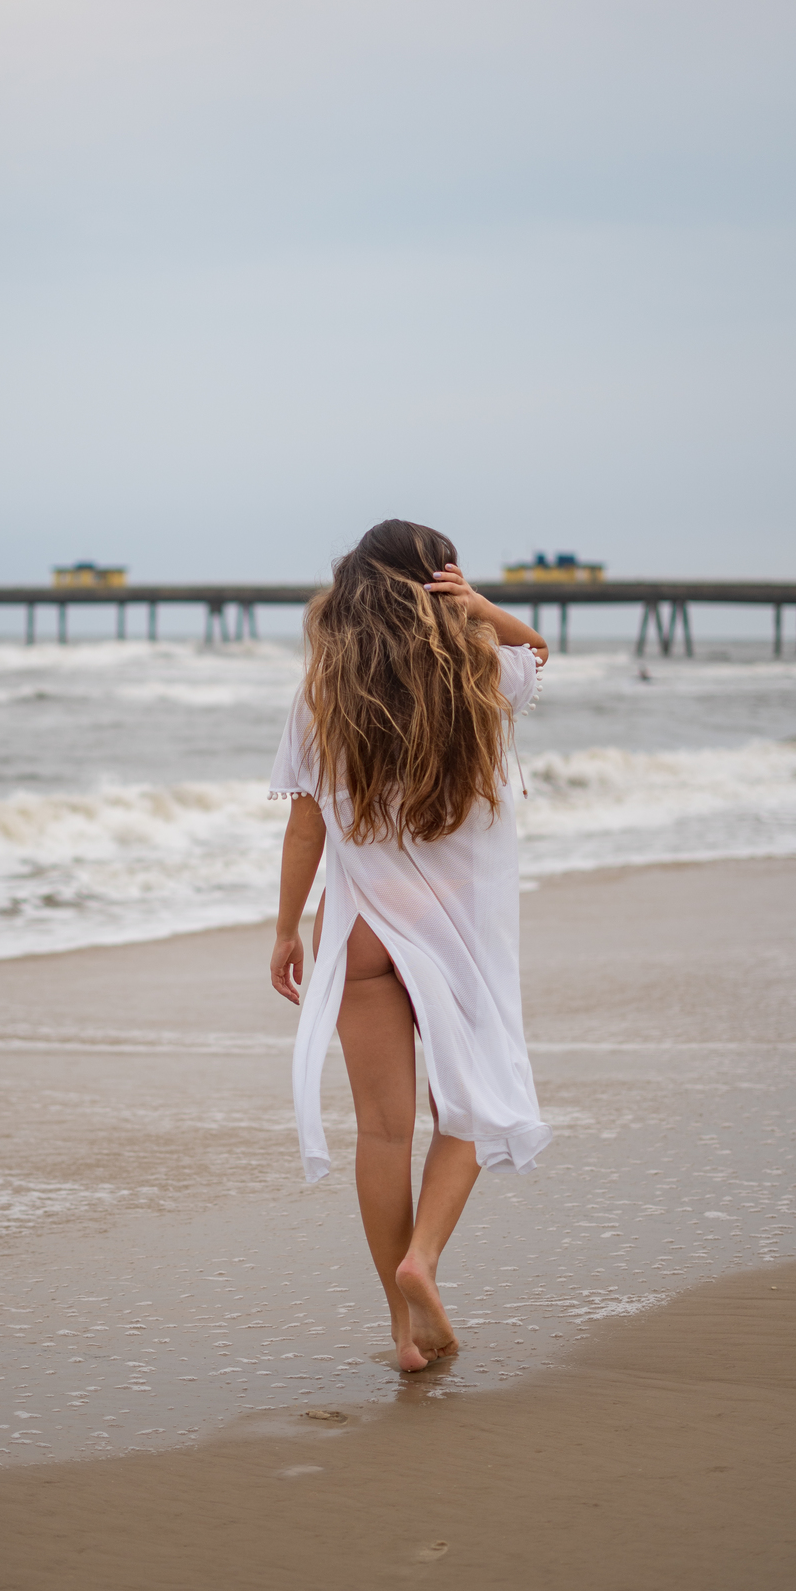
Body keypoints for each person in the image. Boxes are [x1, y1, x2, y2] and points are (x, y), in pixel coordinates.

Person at [269, 520, 550, 1373]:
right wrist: (482, 606)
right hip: (457, 932)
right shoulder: (482, 675)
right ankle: (422, 1257)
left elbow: (304, 826)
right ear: (440, 584)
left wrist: (286, 929)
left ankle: (402, 1330)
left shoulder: (324, 690)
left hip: (357, 931)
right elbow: (539, 650)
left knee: (382, 1135)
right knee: (467, 1104)